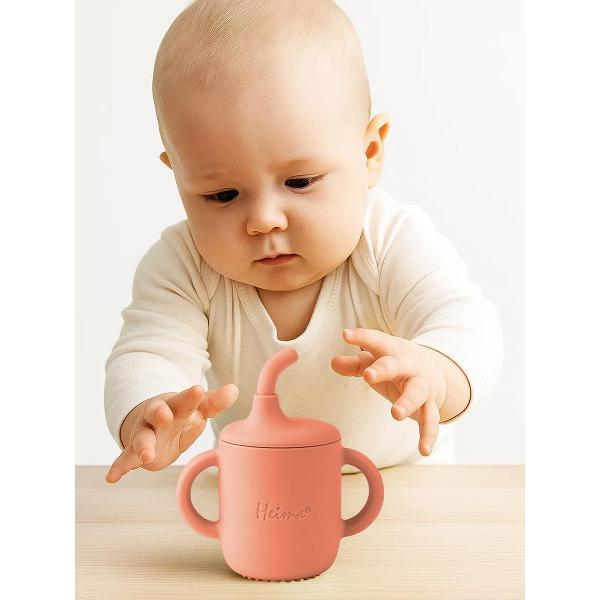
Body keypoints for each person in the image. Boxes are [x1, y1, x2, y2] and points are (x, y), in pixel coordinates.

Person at [104, 0, 502, 484]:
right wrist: (150, 413)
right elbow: (148, 354)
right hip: (262, 493)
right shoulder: (182, 266)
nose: (264, 220)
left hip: (404, 487)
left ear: (369, 152)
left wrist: (436, 371)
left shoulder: (390, 240)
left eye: (300, 182)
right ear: (179, 177)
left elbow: (466, 324)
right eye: (222, 194)